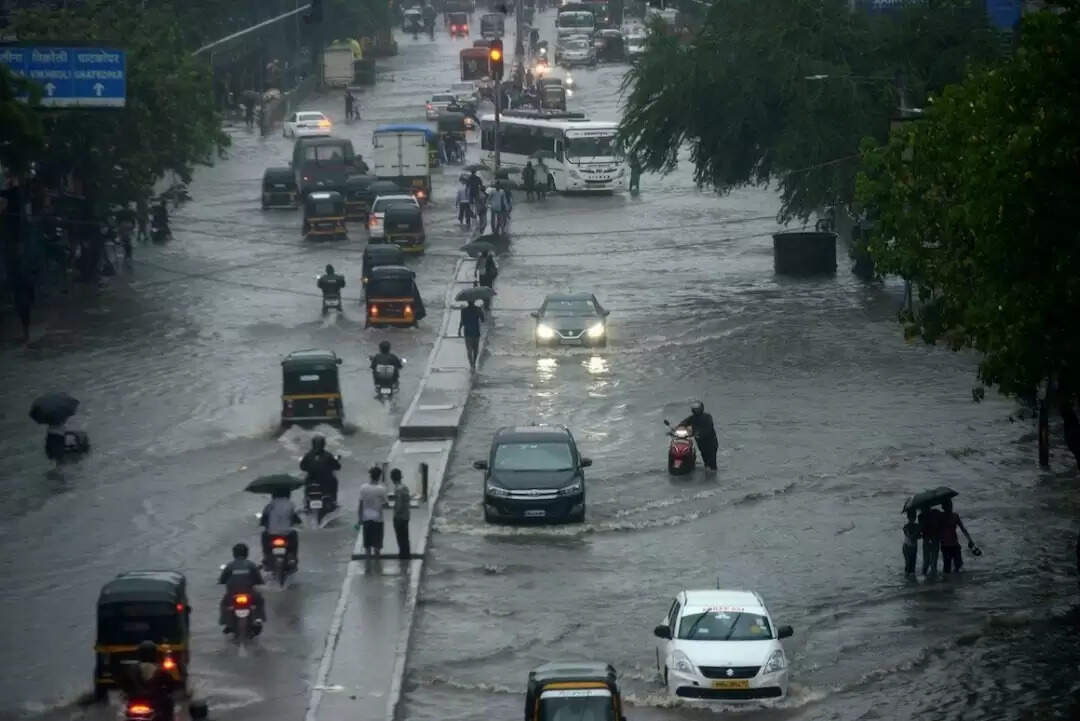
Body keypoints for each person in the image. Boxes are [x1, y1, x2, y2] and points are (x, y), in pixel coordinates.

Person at [114, 641, 174, 721]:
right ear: (154, 654)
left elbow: (122, 683)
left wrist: (128, 691)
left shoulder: (131, 668)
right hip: (154, 701)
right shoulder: (161, 670)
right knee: (169, 702)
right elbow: (171, 685)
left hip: (134, 700)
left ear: (139, 654)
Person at [218, 542, 265, 630]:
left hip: (232, 594)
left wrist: (222, 582)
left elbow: (222, 580)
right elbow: (259, 580)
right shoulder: (251, 565)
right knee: (260, 601)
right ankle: (258, 619)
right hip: (249, 593)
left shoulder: (230, 565)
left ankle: (226, 623)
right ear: (246, 553)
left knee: (224, 604)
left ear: (234, 554)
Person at [260, 488, 301, 566]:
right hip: (287, 533)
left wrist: (264, 524)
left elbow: (264, 519)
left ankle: (266, 556)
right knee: (294, 534)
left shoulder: (270, 505)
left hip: (272, 533)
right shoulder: (290, 504)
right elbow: (296, 519)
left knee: (264, 535)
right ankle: (293, 556)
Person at [300, 434, 341, 507]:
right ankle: (334, 501)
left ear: (313, 444)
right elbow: (337, 467)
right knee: (335, 481)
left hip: (311, 480)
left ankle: (306, 500)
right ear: (323, 444)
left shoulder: (308, 455)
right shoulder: (328, 455)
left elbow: (302, 467)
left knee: (306, 483)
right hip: (326, 481)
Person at [358, 466, 389, 556]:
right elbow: (386, 505)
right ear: (379, 477)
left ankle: (368, 563)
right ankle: (377, 562)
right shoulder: (381, 489)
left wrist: (359, 518)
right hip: (377, 520)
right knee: (377, 547)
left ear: (370, 476)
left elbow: (360, 505)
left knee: (367, 547)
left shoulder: (363, 488)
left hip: (366, 519)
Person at [679, 401, 718, 471]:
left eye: (697, 409)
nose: (695, 410)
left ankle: (713, 473)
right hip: (701, 443)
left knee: (712, 463)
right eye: (694, 409)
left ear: (701, 408)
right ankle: (707, 470)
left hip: (710, 443)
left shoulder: (707, 417)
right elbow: (683, 423)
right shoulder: (692, 418)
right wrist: (675, 429)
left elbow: (708, 428)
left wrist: (697, 433)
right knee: (705, 459)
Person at [939, 498, 974, 573]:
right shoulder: (940, 516)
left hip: (955, 544)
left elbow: (963, 529)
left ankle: (955, 579)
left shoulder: (955, 516)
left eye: (951, 505)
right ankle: (948, 580)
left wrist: (970, 540)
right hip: (945, 546)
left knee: (958, 566)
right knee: (947, 568)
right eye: (948, 505)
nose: (950, 507)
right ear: (943, 507)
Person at [459, 299, 485, 370]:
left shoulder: (464, 310)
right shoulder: (478, 309)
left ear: (467, 302)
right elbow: (483, 320)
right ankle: (474, 363)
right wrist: (481, 311)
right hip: (476, 332)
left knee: (469, 350)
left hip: (467, 332)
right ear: (474, 301)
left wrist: (459, 329)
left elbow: (462, 321)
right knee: (475, 349)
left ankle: (471, 365)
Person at [390, 468, 411, 558]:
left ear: (392, 478)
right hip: (406, 515)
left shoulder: (398, 489)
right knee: (405, 538)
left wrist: (396, 513)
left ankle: (403, 556)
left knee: (401, 538)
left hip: (399, 517)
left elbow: (399, 504)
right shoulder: (405, 487)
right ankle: (406, 555)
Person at [919, 507, 943, 576]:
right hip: (931, 539)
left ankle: (927, 576)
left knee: (929, 561)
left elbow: (921, 530)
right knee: (930, 561)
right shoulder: (935, 512)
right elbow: (922, 529)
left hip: (931, 539)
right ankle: (930, 576)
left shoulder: (922, 516)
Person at [902, 510, 920, 577]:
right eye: (911, 517)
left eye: (914, 517)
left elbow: (919, 536)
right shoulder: (906, 526)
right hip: (907, 547)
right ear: (908, 517)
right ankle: (907, 576)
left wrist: (918, 534)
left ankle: (911, 578)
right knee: (908, 563)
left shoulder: (917, 526)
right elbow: (909, 535)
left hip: (914, 547)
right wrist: (916, 533)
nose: (913, 519)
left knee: (913, 563)